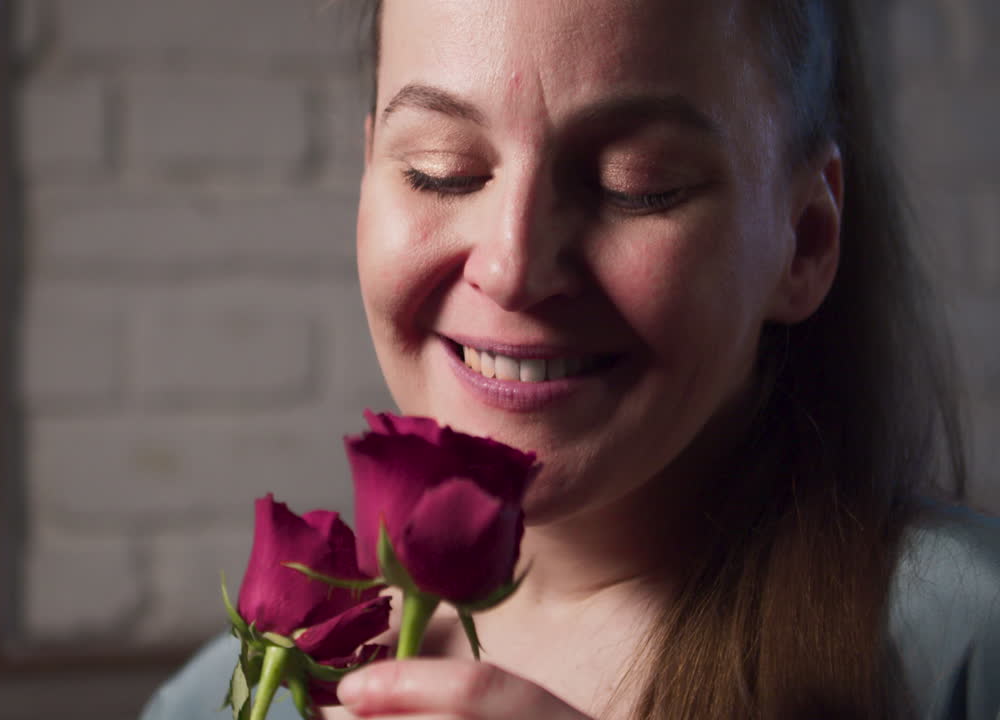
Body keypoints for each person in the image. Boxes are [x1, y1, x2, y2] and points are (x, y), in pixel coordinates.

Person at [143, 0, 1000, 718]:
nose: (512, 267)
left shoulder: (963, 646)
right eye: (442, 172)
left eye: (639, 184)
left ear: (805, 241)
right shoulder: (237, 692)